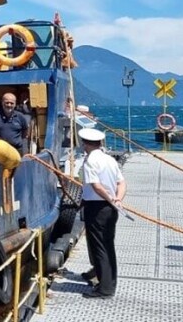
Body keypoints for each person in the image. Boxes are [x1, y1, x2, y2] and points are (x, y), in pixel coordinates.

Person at [78, 127, 126, 299]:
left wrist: (108, 198)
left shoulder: (90, 160)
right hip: (111, 208)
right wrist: (117, 200)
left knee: (99, 248)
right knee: (108, 246)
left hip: (97, 207)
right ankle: (108, 282)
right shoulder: (110, 160)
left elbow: (96, 186)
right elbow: (121, 183)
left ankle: (104, 289)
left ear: (86, 144)